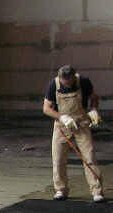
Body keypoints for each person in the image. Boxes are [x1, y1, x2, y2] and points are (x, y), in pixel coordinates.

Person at [42, 65, 105, 203]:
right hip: (62, 125)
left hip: (81, 123)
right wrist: (62, 117)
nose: (68, 85)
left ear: (74, 77)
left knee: (89, 156)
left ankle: (97, 191)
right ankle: (61, 190)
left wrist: (94, 111)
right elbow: (46, 109)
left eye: (70, 83)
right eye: (65, 83)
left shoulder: (83, 81)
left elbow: (94, 97)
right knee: (58, 159)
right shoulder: (54, 85)